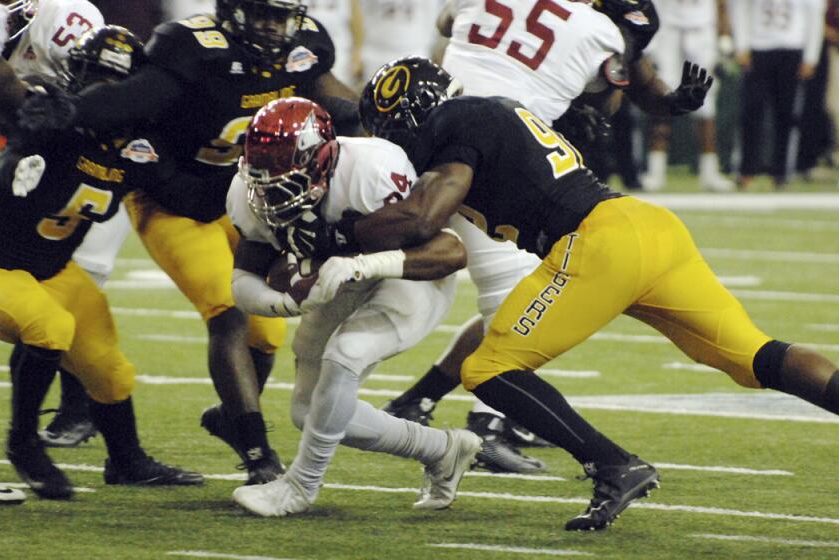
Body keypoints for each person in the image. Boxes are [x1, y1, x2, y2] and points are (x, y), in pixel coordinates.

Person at [327, 56, 839, 531]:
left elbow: (422, 217)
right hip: (648, 228)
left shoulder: (451, 125)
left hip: (596, 243)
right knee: (753, 357)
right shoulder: (492, 110)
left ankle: (614, 464)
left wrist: (343, 234)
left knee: (486, 369)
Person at [17, 0, 365, 484]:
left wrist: (380, 124)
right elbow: (134, 98)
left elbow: (339, 105)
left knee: (267, 331)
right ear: (232, 11)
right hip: (173, 198)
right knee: (226, 311)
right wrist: (71, 109)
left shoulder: (304, 46)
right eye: (261, 13)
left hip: (239, 197)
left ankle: (231, 417)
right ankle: (258, 454)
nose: (272, 25)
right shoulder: (193, 47)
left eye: (280, 15)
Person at [382, 0, 714, 474]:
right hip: (492, 154)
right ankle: (486, 428)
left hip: (431, 133)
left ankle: (421, 400)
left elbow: (444, 22)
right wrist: (651, 96)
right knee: (523, 298)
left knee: (525, 291)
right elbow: (612, 99)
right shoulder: (597, 27)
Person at [224, 98, 480, 517]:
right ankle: (445, 450)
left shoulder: (373, 168)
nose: (271, 190)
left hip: (408, 275)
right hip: (336, 280)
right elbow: (242, 280)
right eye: (262, 176)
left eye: (284, 176)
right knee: (310, 413)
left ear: (322, 160)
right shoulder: (245, 192)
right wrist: (288, 301)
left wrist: (363, 263)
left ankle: (299, 488)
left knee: (346, 355)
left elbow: (449, 251)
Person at [0, 25, 204, 500]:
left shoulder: (137, 148)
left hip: (53, 268)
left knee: (109, 370)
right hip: (4, 265)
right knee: (49, 327)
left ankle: (127, 461)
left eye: (116, 87)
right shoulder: (47, 116)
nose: (102, 96)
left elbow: (187, 196)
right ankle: (23, 443)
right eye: (94, 81)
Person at [1, 0, 111, 449]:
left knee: (75, 273)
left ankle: (75, 407)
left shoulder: (65, 14)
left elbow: (99, 83)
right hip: (21, 142)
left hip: (71, 150)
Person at [729, 0, 826, 188]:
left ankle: (781, 172)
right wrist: (741, 45)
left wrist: (811, 56)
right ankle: (746, 170)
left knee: (787, 115)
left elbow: (815, 14)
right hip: (758, 47)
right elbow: (739, 6)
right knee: (751, 112)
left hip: (792, 48)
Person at [641, 0, 735, 192]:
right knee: (662, 95)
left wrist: (724, 35)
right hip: (668, 29)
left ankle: (709, 171)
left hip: (702, 30)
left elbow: (722, 3)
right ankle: (656, 170)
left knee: (706, 102)